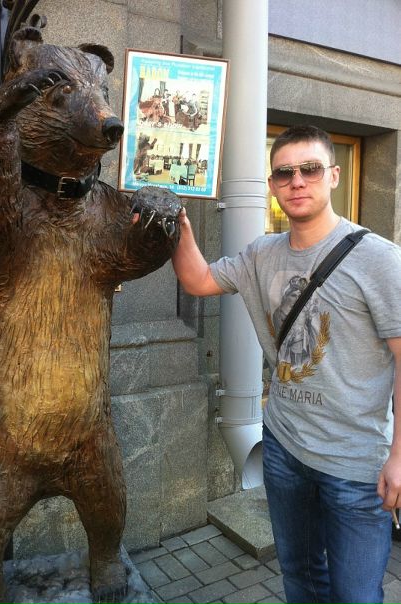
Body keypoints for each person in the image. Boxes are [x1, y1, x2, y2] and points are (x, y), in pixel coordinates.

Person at [171, 124, 401, 604]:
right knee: (300, 579)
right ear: (273, 185)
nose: (297, 181)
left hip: (355, 464)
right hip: (284, 448)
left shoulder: (380, 259)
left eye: (310, 169)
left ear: (333, 175)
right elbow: (198, 280)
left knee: (356, 595)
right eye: (284, 173)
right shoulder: (262, 254)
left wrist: (399, 456)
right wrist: (178, 228)